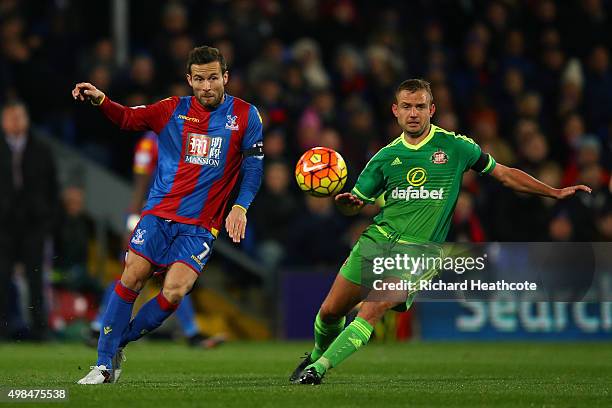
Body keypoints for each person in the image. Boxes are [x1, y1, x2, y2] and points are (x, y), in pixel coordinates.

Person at [291, 79, 591, 385]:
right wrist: (348, 205)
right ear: (395, 111)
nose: (413, 113)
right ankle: (315, 356)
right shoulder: (384, 158)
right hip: (377, 241)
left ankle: (319, 369)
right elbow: (355, 204)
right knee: (329, 312)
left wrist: (553, 192)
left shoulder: (456, 146)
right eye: (406, 106)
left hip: (419, 251)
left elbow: (504, 174)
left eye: (420, 106)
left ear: (431, 109)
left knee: (374, 306)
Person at [72, 45, 264, 384]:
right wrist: (102, 100)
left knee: (175, 291)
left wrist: (240, 206)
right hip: (159, 214)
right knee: (132, 275)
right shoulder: (171, 109)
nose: (207, 86)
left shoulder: (247, 116)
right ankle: (103, 365)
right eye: (200, 79)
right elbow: (129, 118)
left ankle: (118, 342)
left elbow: (252, 169)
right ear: (189, 80)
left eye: (214, 78)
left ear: (226, 78)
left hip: (201, 226)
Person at [88, 131, 226, 349]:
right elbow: (140, 178)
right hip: (149, 214)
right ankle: (98, 325)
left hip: (176, 216)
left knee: (177, 276)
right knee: (130, 275)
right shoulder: (152, 140)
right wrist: (133, 217)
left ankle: (191, 332)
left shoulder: (190, 137)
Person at [0, 100, 59, 341]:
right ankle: (3, 328)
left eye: (19, 116)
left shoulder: (41, 149)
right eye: (11, 117)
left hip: (34, 224)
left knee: (36, 278)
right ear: (3, 121)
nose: (15, 122)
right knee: (1, 277)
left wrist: (47, 219)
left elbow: (52, 188)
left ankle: (39, 329)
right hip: (3, 224)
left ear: (26, 120)